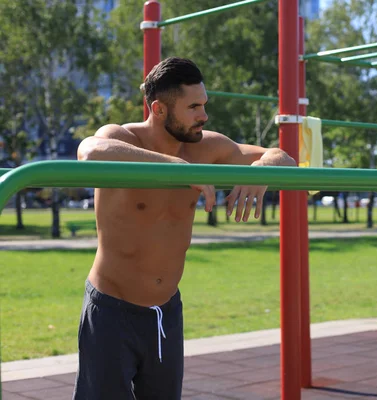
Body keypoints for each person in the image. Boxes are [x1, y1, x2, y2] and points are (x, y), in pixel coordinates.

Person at [72, 57, 296, 400]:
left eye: (204, 105)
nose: (203, 116)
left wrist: (264, 168)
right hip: (111, 312)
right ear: (159, 109)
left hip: (167, 312)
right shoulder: (122, 139)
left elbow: (281, 156)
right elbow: (90, 151)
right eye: (193, 107)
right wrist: (177, 167)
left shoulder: (208, 147)